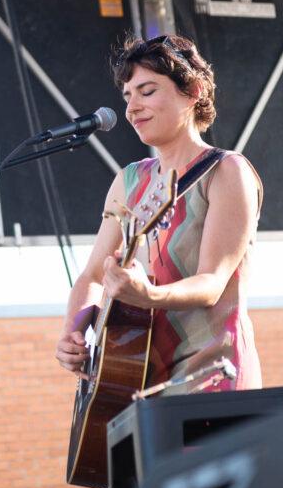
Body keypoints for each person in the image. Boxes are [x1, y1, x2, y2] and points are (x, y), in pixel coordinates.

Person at [55, 33, 262, 393]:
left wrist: (148, 296)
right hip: (138, 382)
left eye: (147, 91)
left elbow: (211, 282)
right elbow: (92, 276)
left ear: (193, 91)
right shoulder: (129, 180)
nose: (131, 108)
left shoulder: (227, 170)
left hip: (212, 374)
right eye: (127, 96)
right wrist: (72, 332)